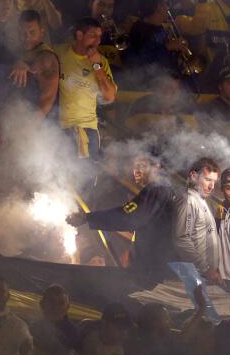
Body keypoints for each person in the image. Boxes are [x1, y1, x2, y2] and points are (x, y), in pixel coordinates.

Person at [69, 152, 177, 280]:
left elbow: (129, 217)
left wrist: (88, 218)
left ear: (156, 166)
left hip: (153, 270)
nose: (136, 171)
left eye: (142, 165)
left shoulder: (157, 190)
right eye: (135, 167)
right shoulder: (165, 190)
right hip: (159, 267)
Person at [54, 17, 117, 158]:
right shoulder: (59, 52)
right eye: (93, 36)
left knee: (85, 178)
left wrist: (97, 66)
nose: (98, 41)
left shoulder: (102, 62)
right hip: (60, 128)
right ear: (79, 35)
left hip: (87, 129)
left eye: (100, 37)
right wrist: (21, 63)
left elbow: (110, 96)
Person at [173, 157, 222, 287]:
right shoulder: (188, 200)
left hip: (203, 277)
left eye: (214, 181)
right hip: (193, 277)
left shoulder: (202, 200)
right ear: (194, 176)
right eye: (207, 180)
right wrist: (206, 269)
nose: (211, 186)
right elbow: (181, 239)